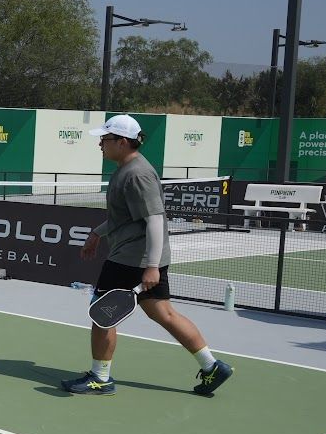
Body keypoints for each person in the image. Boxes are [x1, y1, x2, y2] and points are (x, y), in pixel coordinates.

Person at [62, 115, 233, 397]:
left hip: (130, 261)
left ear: (122, 142)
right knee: (163, 313)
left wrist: (152, 266)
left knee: (103, 315)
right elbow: (127, 218)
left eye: (104, 139)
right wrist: (97, 233)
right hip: (139, 259)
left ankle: (100, 378)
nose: (100, 144)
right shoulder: (126, 170)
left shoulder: (137, 174)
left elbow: (154, 219)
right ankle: (211, 366)